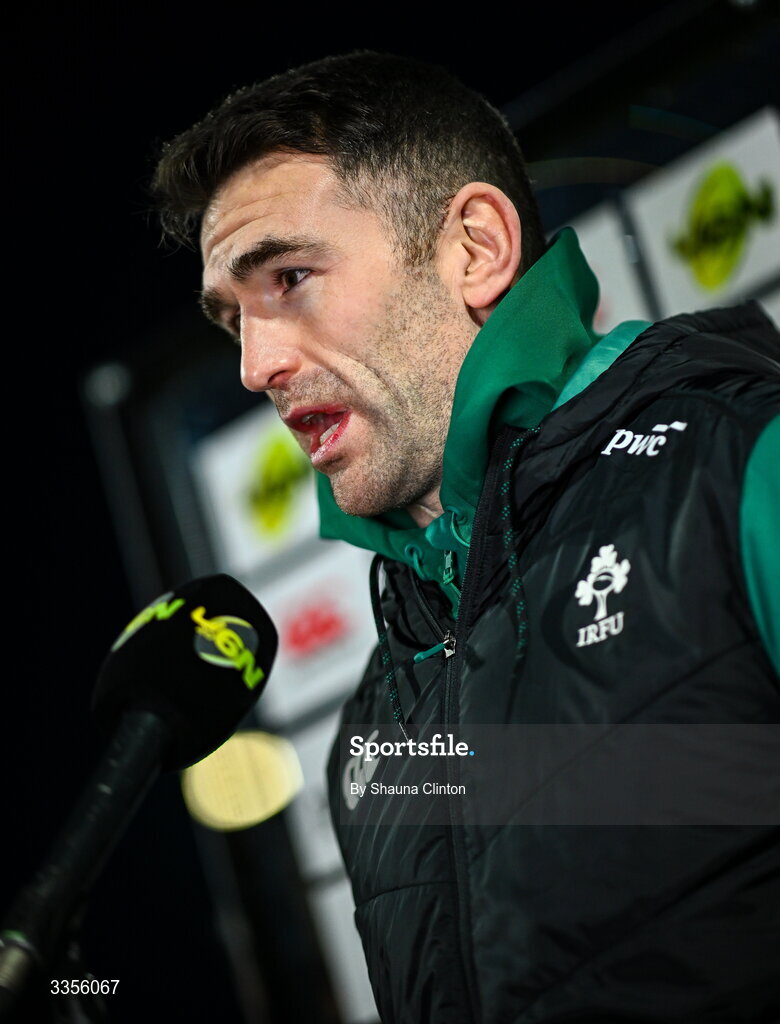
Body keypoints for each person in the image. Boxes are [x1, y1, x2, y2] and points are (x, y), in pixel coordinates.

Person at [153, 52, 780, 1023]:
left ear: (476, 249)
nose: (255, 364)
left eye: (291, 277)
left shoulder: (745, 464)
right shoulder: (373, 733)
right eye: (233, 319)